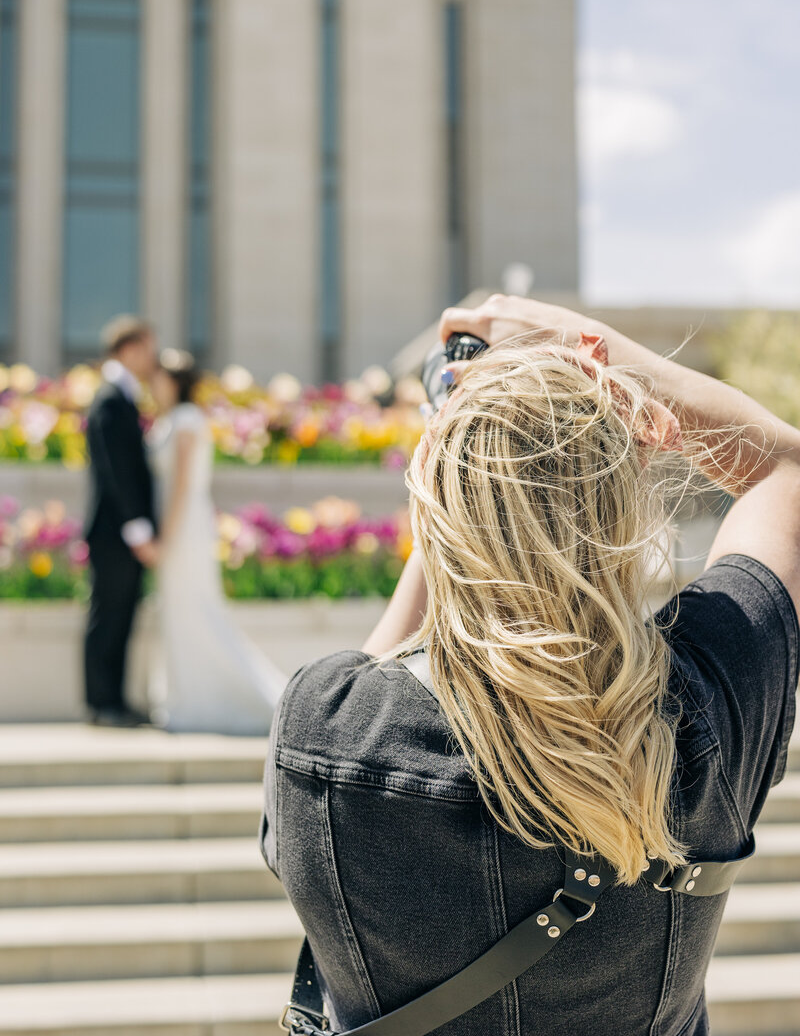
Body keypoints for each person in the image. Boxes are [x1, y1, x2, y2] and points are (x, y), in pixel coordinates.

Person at [260, 294, 799, 1036]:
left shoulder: (327, 727)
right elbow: (787, 471)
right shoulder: (711, 696)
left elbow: (383, 659)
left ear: (435, 504)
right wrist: (593, 348)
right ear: (626, 503)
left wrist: (456, 453)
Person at [149, 349, 287, 735]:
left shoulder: (187, 419)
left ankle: (261, 699)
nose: (152, 383)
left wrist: (165, 538)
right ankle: (186, 700)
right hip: (178, 526)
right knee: (181, 614)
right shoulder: (174, 419)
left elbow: (180, 486)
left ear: (174, 381)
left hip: (184, 529)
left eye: (159, 376)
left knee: (199, 611)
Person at [83, 316, 160, 727]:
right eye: (149, 348)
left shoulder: (122, 396)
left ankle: (113, 700)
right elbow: (116, 472)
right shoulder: (111, 399)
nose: (153, 358)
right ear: (128, 349)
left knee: (122, 615)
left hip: (122, 534)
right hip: (116, 534)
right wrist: (138, 529)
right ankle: (102, 703)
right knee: (108, 616)